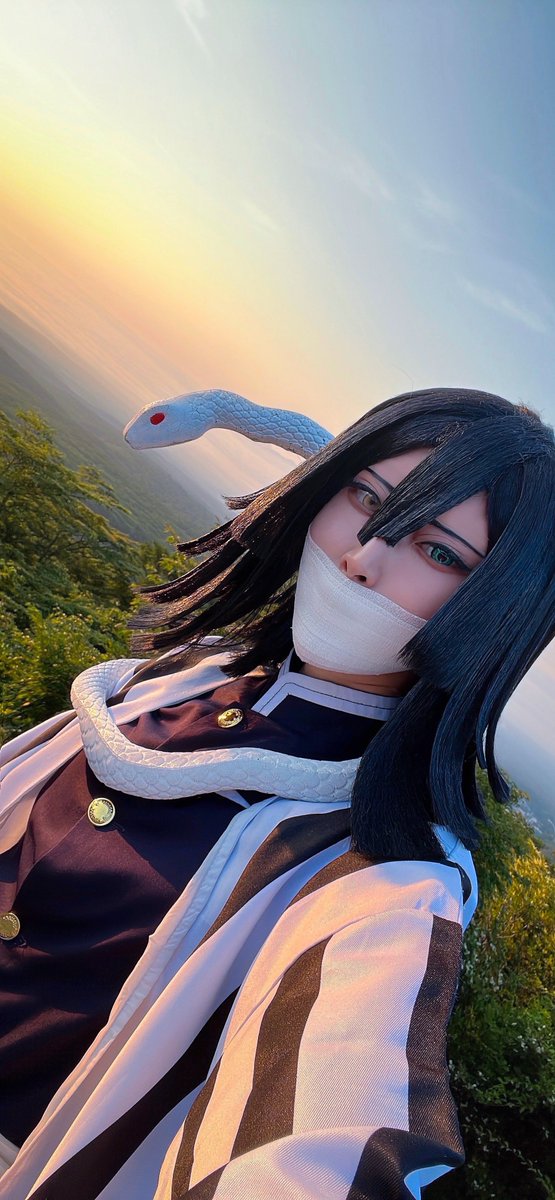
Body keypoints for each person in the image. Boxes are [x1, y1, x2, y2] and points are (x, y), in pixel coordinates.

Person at [0, 387, 553, 1199]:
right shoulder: (186, 674)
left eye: (439, 553)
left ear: (496, 612)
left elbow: (333, 1119)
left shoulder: (390, 874)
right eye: (364, 499)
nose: (362, 556)